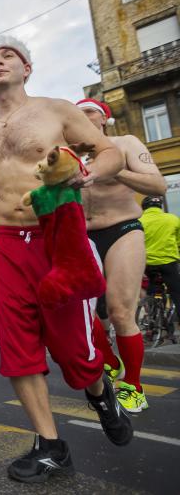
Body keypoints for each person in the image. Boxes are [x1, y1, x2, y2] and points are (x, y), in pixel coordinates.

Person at [0, 35, 131, 483]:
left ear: (27, 67)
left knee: (73, 351)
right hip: (4, 241)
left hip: (56, 236)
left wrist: (88, 173)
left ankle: (101, 394)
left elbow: (110, 152)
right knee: (18, 347)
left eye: (7, 56)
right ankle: (50, 446)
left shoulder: (56, 110)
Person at [79, 98, 166, 413]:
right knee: (82, 316)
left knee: (119, 312)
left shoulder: (124, 143)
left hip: (123, 229)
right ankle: (112, 362)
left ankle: (135, 386)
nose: (81, 117)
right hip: (82, 236)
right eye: (76, 114)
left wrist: (116, 171)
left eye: (88, 112)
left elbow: (158, 184)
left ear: (103, 119)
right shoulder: (70, 155)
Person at [140, 196, 180, 321]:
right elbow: (178, 241)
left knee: (153, 289)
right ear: (160, 206)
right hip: (169, 262)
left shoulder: (139, 222)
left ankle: (153, 319)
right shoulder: (173, 219)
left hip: (148, 264)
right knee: (176, 292)